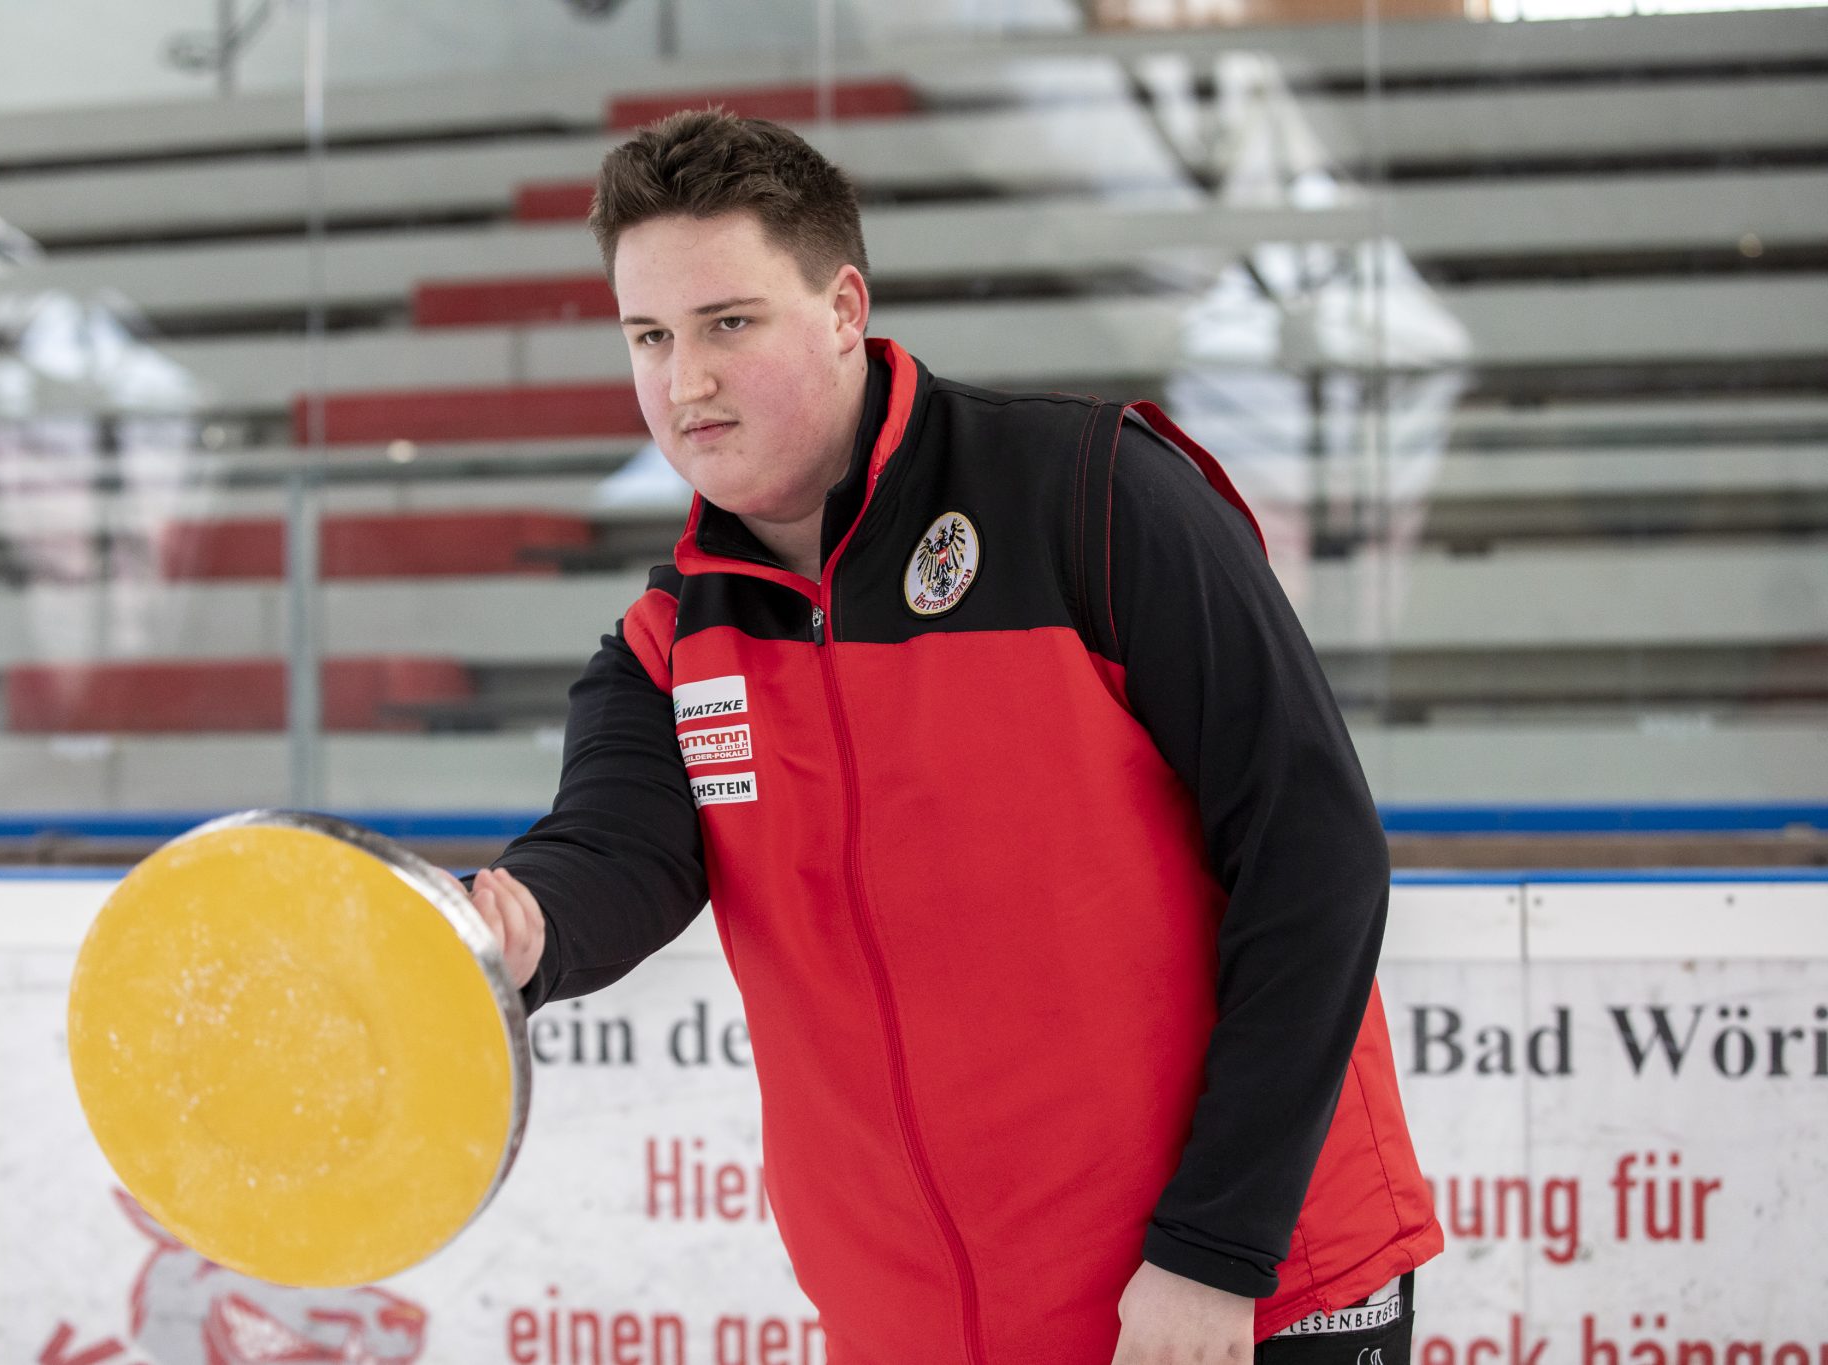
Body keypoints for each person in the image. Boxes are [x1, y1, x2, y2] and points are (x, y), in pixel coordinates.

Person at [459, 109, 1442, 1365]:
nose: (683, 381)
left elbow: (1316, 858)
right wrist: (509, 933)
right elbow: (610, 851)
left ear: (841, 306)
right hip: (930, 1328)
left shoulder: (1091, 496)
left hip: (1240, 1295)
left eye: (728, 323)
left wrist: (1215, 1250)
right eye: (648, 336)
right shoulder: (663, 647)